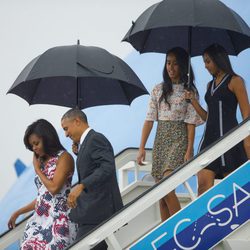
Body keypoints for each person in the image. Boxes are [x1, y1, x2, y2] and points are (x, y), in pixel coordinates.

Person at [137, 47, 203, 222]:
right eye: (168, 63)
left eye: (175, 63)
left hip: (179, 138)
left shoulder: (190, 91)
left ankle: (182, 227)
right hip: (160, 139)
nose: (171, 67)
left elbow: (191, 123)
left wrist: (190, 149)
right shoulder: (158, 90)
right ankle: (168, 235)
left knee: (167, 184)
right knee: (161, 193)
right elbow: (149, 120)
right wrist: (142, 147)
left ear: (183, 66)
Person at [185, 43, 250, 196]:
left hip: (230, 139)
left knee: (232, 189)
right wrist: (193, 100)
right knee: (202, 187)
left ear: (218, 59)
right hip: (208, 141)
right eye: (204, 62)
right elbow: (209, 117)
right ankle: (203, 220)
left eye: (208, 61)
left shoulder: (235, 81)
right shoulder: (209, 85)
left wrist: (246, 142)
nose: (205, 66)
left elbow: (246, 113)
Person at [8, 119, 77, 249]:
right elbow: (44, 197)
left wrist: (38, 170)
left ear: (47, 138)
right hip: (40, 220)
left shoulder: (64, 158)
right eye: (31, 146)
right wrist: (18, 212)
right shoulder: (42, 163)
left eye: (36, 143)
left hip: (59, 219)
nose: (34, 148)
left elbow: (54, 189)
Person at [61, 108, 123, 249]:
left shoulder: (95, 139)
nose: (65, 134)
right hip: (93, 212)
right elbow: (94, 167)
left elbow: (107, 167)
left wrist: (82, 185)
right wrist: (80, 153)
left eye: (66, 128)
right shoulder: (87, 143)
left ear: (77, 121)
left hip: (98, 211)